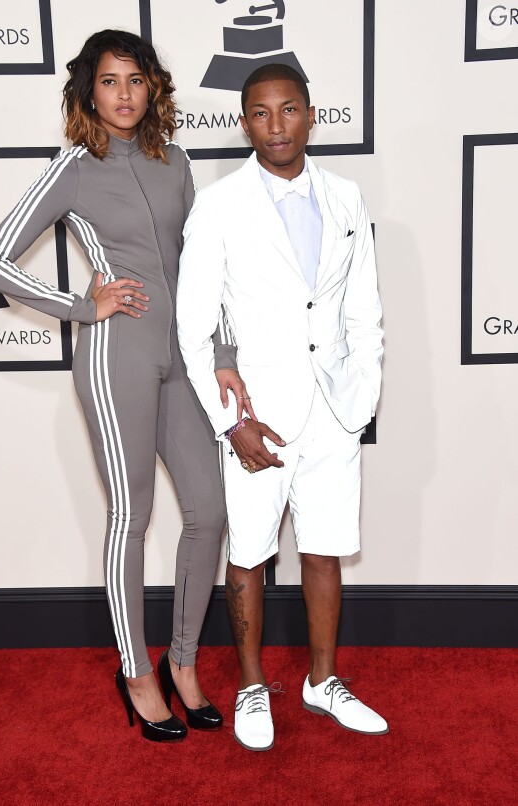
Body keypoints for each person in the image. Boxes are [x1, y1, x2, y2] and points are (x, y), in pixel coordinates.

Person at [0, 29, 252, 743]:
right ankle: (136, 673)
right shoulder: (73, 166)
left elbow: (202, 269)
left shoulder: (176, 161)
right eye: (109, 81)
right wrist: (78, 305)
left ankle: (183, 662)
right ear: (86, 92)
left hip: (184, 360)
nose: (124, 94)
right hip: (115, 356)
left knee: (210, 513)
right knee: (132, 515)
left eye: (135, 80)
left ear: (152, 87)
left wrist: (222, 351)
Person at [177, 63, 388, 751]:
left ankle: (322, 683)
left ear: (310, 115)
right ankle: (250, 687)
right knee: (249, 558)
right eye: (261, 113)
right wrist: (230, 421)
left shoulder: (347, 198)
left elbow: (364, 309)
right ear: (245, 123)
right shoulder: (220, 205)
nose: (276, 125)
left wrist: (361, 394)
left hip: (333, 410)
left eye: (289, 109)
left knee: (325, 551)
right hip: (256, 415)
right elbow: (193, 325)